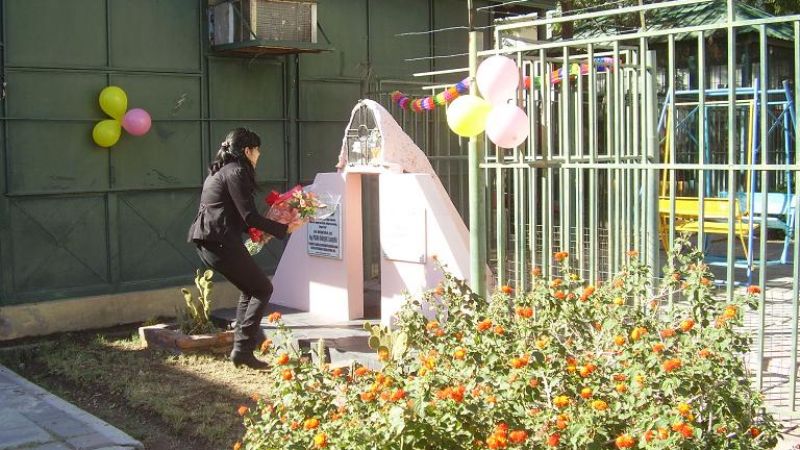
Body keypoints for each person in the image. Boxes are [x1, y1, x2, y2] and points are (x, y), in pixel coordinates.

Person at [188, 128, 295, 369]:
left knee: (251, 289)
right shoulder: (236, 172)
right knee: (262, 288)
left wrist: (262, 231)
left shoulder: (222, 172)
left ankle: (241, 350)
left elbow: (233, 214)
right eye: (257, 151)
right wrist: (282, 228)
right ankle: (242, 350)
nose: (258, 156)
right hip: (219, 242)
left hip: (213, 241)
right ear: (248, 151)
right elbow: (249, 216)